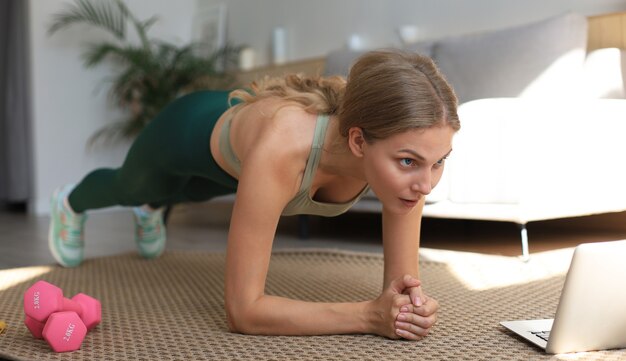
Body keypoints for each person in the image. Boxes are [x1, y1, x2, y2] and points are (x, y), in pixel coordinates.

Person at [48, 49, 460, 340]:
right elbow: (243, 311)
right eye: (410, 162)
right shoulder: (285, 147)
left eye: (439, 161)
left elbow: (401, 289)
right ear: (357, 141)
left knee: (195, 191)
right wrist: (369, 316)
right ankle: (72, 202)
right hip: (185, 132)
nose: (426, 184)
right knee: (133, 186)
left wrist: (408, 308)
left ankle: (154, 206)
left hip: (243, 169)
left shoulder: (406, 167)